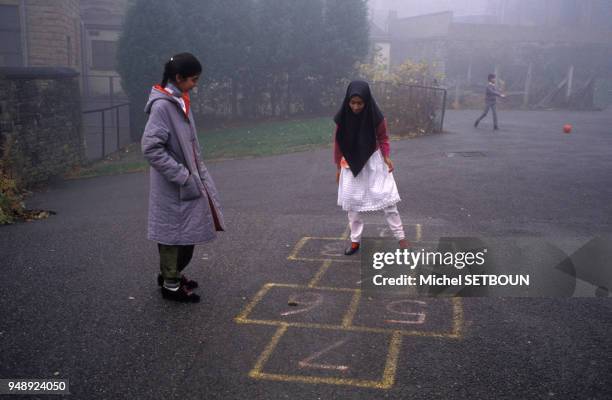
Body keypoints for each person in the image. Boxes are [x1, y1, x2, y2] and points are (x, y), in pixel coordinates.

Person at [141, 52, 225, 303]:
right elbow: (150, 148)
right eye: (193, 80)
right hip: (174, 185)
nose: (195, 85)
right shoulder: (163, 106)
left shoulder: (178, 100)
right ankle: (171, 284)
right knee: (172, 236)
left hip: (187, 181)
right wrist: (182, 175)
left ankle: (172, 275)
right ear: (178, 78)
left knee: (186, 234)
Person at [334, 80, 410, 255]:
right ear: (348, 102)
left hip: (374, 161)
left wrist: (387, 157)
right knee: (353, 207)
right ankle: (355, 242)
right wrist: (338, 167)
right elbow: (338, 143)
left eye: (360, 103)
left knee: (389, 201)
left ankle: (401, 238)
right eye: (352, 103)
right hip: (350, 164)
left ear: (367, 101)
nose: (356, 107)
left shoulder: (376, 117)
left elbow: (383, 138)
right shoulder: (343, 118)